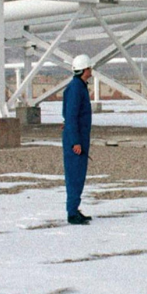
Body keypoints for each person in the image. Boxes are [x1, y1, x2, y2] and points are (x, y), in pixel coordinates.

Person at [62, 54, 94, 225]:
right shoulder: (76, 88)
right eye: (89, 68)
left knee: (78, 175)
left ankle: (74, 209)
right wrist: (75, 141)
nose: (91, 70)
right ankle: (72, 213)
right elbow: (72, 116)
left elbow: (68, 115)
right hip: (76, 140)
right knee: (75, 176)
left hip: (78, 137)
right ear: (84, 70)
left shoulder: (78, 86)